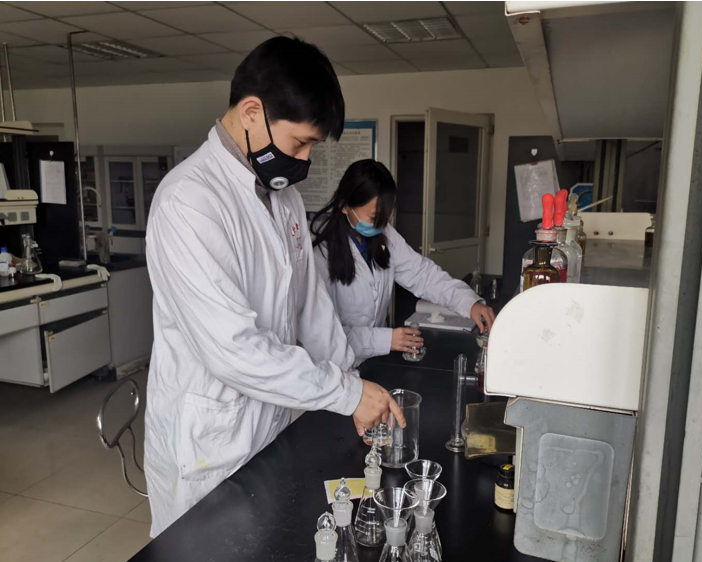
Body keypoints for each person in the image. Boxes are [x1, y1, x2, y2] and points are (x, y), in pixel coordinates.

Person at [145, 38, 405, 538]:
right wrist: (345, 392)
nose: (304, 159)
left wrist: (351, 383)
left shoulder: (283, 199)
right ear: (251, 113)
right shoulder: (188, 202)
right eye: (300, 143)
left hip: (272, 424)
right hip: (211, 443)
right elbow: (233, 350)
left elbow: (311, 308)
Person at [311, 159, 496, 366]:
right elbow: (324, 335)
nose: (380, 225)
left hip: (374, 361)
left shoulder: (386, 236)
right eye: (374, 217)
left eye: (385, 217)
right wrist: (385, 340)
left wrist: (468, 302)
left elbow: (423, 275)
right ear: (344, 206)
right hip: (336, 367)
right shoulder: (320, 258)